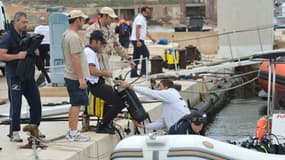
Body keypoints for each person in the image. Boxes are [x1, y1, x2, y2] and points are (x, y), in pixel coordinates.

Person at [0, 12, 42, 142]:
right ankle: (14, 131)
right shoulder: (7, 37)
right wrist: (17, 56)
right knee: (16, 104)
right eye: (24, 22)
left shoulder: (27, 36)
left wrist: (36, 51)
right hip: (14, 75)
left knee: (36, 102)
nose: (26, 24)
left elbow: (34, 52)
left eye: (26, 22)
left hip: (28, 75)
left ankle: (34, 128)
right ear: (16, 21)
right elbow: (1, 55)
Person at [84, 30, 125, 134]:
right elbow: (91, 71)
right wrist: (107, 73)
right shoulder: (89, 53)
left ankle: (106, 124)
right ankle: (103, 125)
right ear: (94, 42)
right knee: (119, 103)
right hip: (95, 85)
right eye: (101, 43)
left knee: (113, 101)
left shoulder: (92, 52)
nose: (102, 46)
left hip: (98, 83)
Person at [116, 79, 190, 131]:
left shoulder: (169, 93)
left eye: (160, 86)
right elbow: (161, 123)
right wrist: (144, 126)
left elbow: (151, 93)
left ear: (166, 88)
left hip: (181, 129)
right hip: (181, 127)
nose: (158, 89)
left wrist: (130, 86)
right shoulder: (171, 99)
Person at [61, 10, 90, 142]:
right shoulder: (73, 37)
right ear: (77, 20)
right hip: (74, 77)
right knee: (76, 104)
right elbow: (75, 58)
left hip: (71, 75)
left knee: (76, 103)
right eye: (82, 19)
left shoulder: (66, 34)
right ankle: (73, 132)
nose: (83, 22)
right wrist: (81, 78)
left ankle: (72, 130)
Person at [85, 7, 134, 79]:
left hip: (106, 63)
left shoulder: (110, 30)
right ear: (105, 16)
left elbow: (117, 46)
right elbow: (88, 49)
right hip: (95, 64)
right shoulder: (92, 29)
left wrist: (128, 58)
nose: (112, 20)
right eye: (111, 18)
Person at [130, 6, 156, 77]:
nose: (148, 14)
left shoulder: (143, 19)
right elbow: (137, 29)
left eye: (149, 13)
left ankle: (133, 73)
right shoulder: (140, 18)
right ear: (143, 12)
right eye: (147, 12)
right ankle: (143, 73)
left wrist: (152, 38)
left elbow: (145, 31)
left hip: (137, 40)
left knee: (136, 57)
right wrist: (138, 41)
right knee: (146, 54)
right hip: (137, 40)